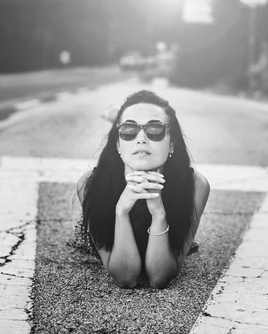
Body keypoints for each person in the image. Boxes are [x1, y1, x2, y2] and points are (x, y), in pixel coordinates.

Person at [75, 90, 210, 289]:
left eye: (155, 130)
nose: (141, 139)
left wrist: (158, 213)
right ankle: (121, 120)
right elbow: (126, 278)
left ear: (172, 143)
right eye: (129, 131)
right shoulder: (90, 185)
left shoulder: (196, 186)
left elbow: (159, 278)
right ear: (118, 145)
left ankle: (120, 119)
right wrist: (121, 212)